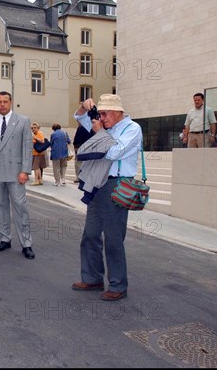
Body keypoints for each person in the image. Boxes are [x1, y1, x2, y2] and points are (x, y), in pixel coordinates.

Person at [72, 94, 142, 302]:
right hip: (98, 184)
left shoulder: (132, 128)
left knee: (113, 238)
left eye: (104, 113)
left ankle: (118, 284)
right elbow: (80, 117)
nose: (101, 117)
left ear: (118, 112)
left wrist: (100, 132)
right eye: (100, 113)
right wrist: (85, 107)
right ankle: (92, 277)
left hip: (117, 184)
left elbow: (114, 152)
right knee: (90, 234)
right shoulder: (104, 124)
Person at [0, 91, 35, 260]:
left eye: (5, 101)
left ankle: (26, 243)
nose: (2, 104)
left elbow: (27, 147)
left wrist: (25, 170)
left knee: (20, 206)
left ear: (11, 103)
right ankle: (5, 238)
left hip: (16, 172)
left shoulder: (23, 121)